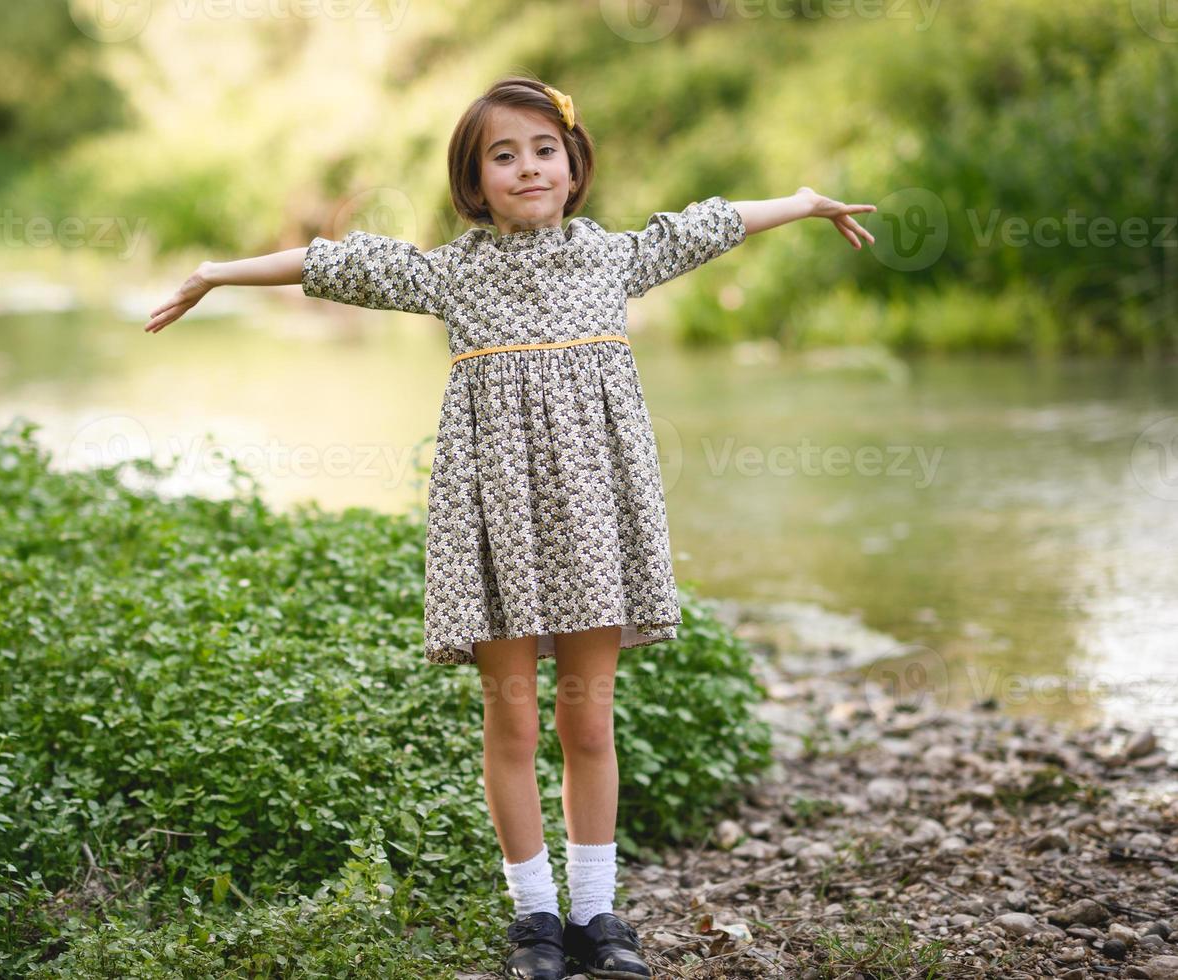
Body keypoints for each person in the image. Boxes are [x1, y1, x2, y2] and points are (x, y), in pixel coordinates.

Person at [144, 75, 875, 980]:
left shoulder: (612, 258)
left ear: (572, 169)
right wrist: (218, 272)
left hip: (595, 517)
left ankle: (599, 915)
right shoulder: (451, 273)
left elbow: (711, 222)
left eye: (543, 150)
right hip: (493, 524)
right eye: (503, 155)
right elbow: (331, 262)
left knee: (589, 722)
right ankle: (534, 920)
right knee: (512, 724)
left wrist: (802, 204)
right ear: (473, 182)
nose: (526, 167)